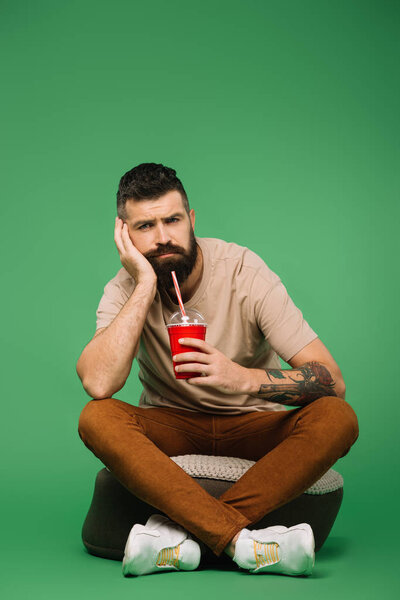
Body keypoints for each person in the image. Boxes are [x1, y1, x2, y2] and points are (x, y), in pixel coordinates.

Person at [76, 162, 359, 578]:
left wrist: (242, 378)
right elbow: (99, 383)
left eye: (172, 220)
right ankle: (244, 543)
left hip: (252, 425)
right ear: (125, 235)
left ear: (191, 221)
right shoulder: (125, 287)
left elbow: (333, 382)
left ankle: (179, 537)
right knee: (97, 416)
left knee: (336, 417)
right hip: (173, 428)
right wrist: (143, 285)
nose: (162, 238)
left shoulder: (243, 271)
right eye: (145, 227)